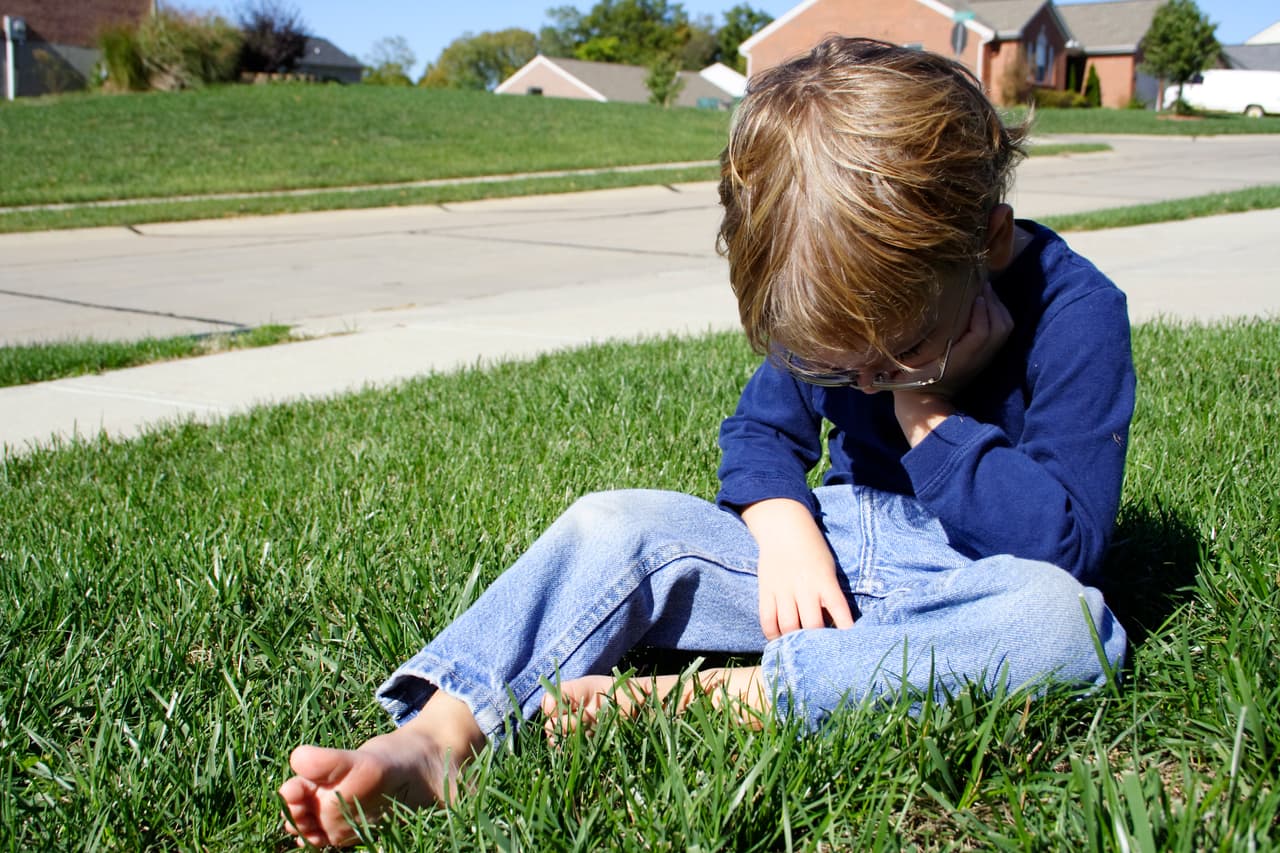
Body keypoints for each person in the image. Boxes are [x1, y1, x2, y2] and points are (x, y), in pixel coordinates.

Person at [279, 36, 1134, 848]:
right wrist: (783, 525)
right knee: (615, 522)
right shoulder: (837, 297)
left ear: (985, 242)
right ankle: (440, 732)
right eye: (836, 364)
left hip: (966, 581)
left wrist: (928, 409)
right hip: (826, 559)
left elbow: (1064, 547)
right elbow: (762, 431)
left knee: (1068, 626)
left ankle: (731, 696)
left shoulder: (1078, 314)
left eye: (901, 351)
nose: (865, 382)